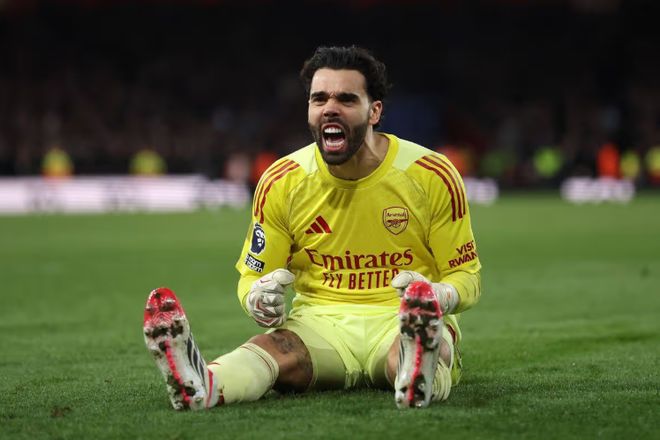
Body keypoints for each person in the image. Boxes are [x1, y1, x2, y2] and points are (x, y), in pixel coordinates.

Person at [143, 46, 482, 410]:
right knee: (272, 349)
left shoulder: (431, 175)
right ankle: (205, 385)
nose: (330, 108)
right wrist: (257, 299)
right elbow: (252, 276)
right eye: (319, 98)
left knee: (415, 351)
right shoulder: (283, 181)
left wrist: (437, 296)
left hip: (401, 317)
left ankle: (417, 370)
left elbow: (466, 276)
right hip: (320, 325)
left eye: (346, 99)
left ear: (374, 111)